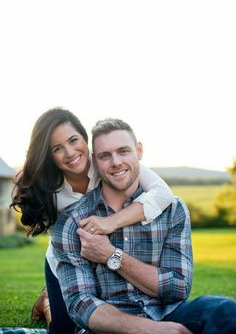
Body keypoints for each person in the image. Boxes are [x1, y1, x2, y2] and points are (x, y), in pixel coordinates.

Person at [51, 118, 236, 334]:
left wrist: (111, 255)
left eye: (123, 151)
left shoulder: (172, 209)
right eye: (105, 156)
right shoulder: (72, 222)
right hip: (110, 327)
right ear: (94, 161)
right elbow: (81, 305)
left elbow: (178, 288)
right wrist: (149, 330)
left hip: (167, 315)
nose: (116, 162)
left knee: (224, 311)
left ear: (139, 151)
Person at [10, 108, 174, 334]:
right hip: (66, 261)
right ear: (49, 155)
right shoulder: (47, 190)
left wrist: (112, 222)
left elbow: (163, 194)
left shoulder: (107, 162)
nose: (69, 152)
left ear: (84, 138)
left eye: (73, 140)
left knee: (110, 320)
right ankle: (48, 303)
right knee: (65, 330)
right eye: (57, 149)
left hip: (109, 251)